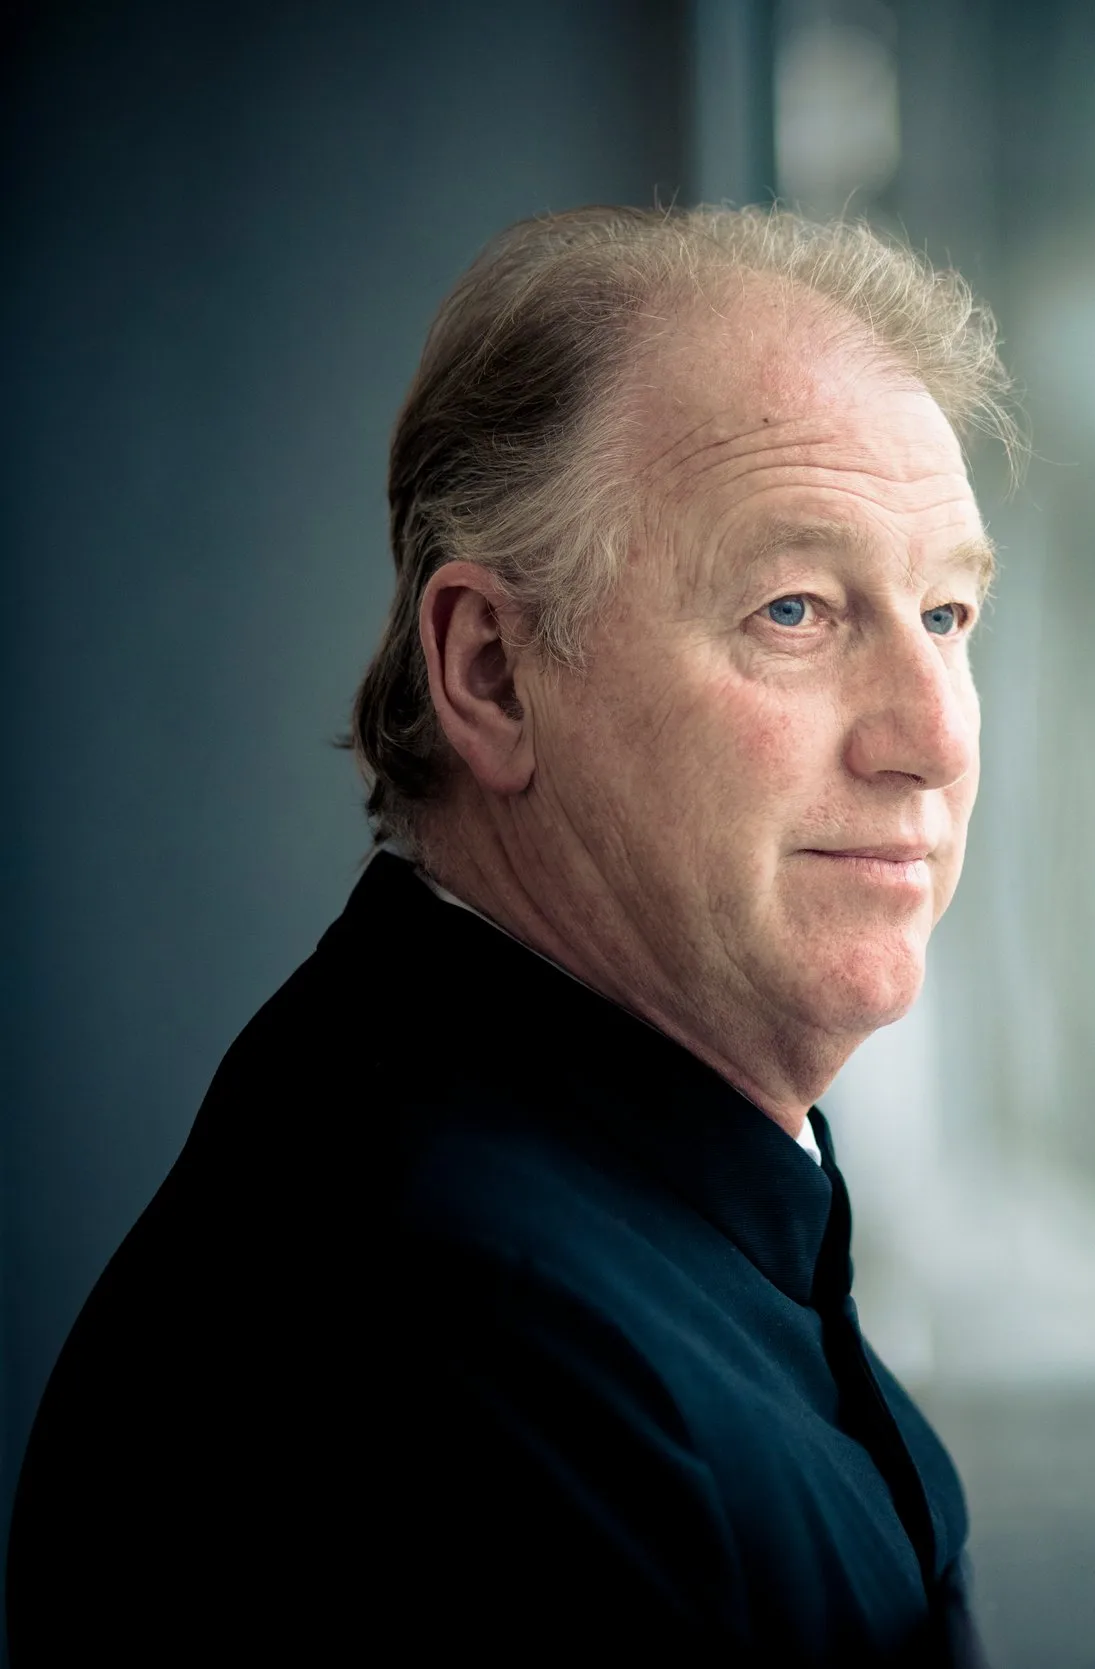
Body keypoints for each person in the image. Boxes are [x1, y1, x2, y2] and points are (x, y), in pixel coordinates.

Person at [7, 205, 1011, 1664]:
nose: (933, 737)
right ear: (489, 673)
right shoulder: (452, 1349)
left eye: (948, 614)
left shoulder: (597, 1193)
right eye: (794, 609)